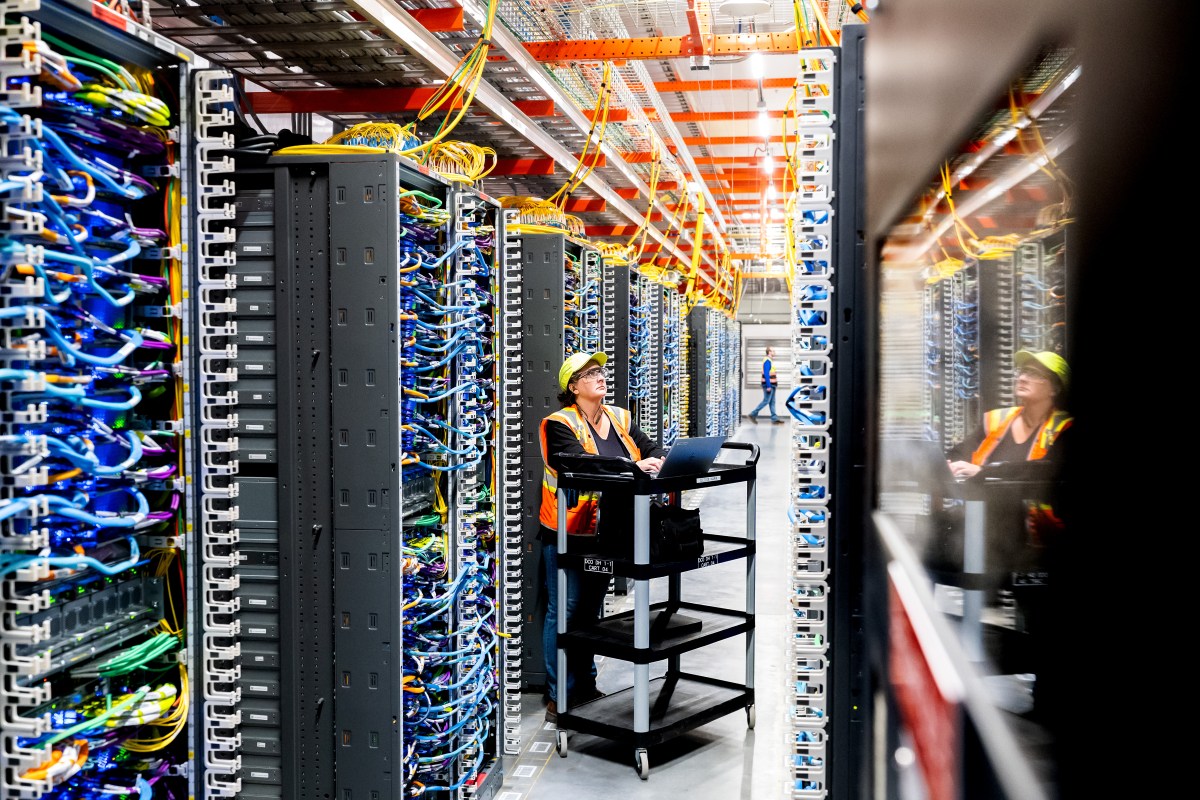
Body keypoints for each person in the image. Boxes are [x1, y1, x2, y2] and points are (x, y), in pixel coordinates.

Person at [538, 351, 667, 723]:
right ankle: (559, 695)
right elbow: (579, 462)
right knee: (565, 609)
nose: (600, 377)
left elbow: (650, 446)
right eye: (590, 374)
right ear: (573, 387)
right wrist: (632, 466)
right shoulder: (558, 423)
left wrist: (657, 460)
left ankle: (587, 687)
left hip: (608, 530)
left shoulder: (620, 417)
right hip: (569, 531)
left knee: (591, 610)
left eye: (601, 371)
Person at [945, 349, 1072, 722]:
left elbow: (1047, 470)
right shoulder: (997, 421)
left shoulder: (1064, 427)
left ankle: (1046, 703)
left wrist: (985, 471)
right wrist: (956, 465)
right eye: (1021, 371)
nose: (1022, 377)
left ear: (1053, 388)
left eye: (1033, 373)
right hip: (986, 536)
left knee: (1041, 622)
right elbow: (956, 453)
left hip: (1040, 543)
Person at [747, 346, 783, 423]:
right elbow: (766, 374)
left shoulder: (769, 360)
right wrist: (768, 386)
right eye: (773, 351)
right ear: (769, 352)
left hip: (772, 385)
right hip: (768, 385)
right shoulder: (767, 361)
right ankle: (752, 414)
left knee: (772, 402)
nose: (775, 352)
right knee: (766, 401)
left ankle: (774, 418)